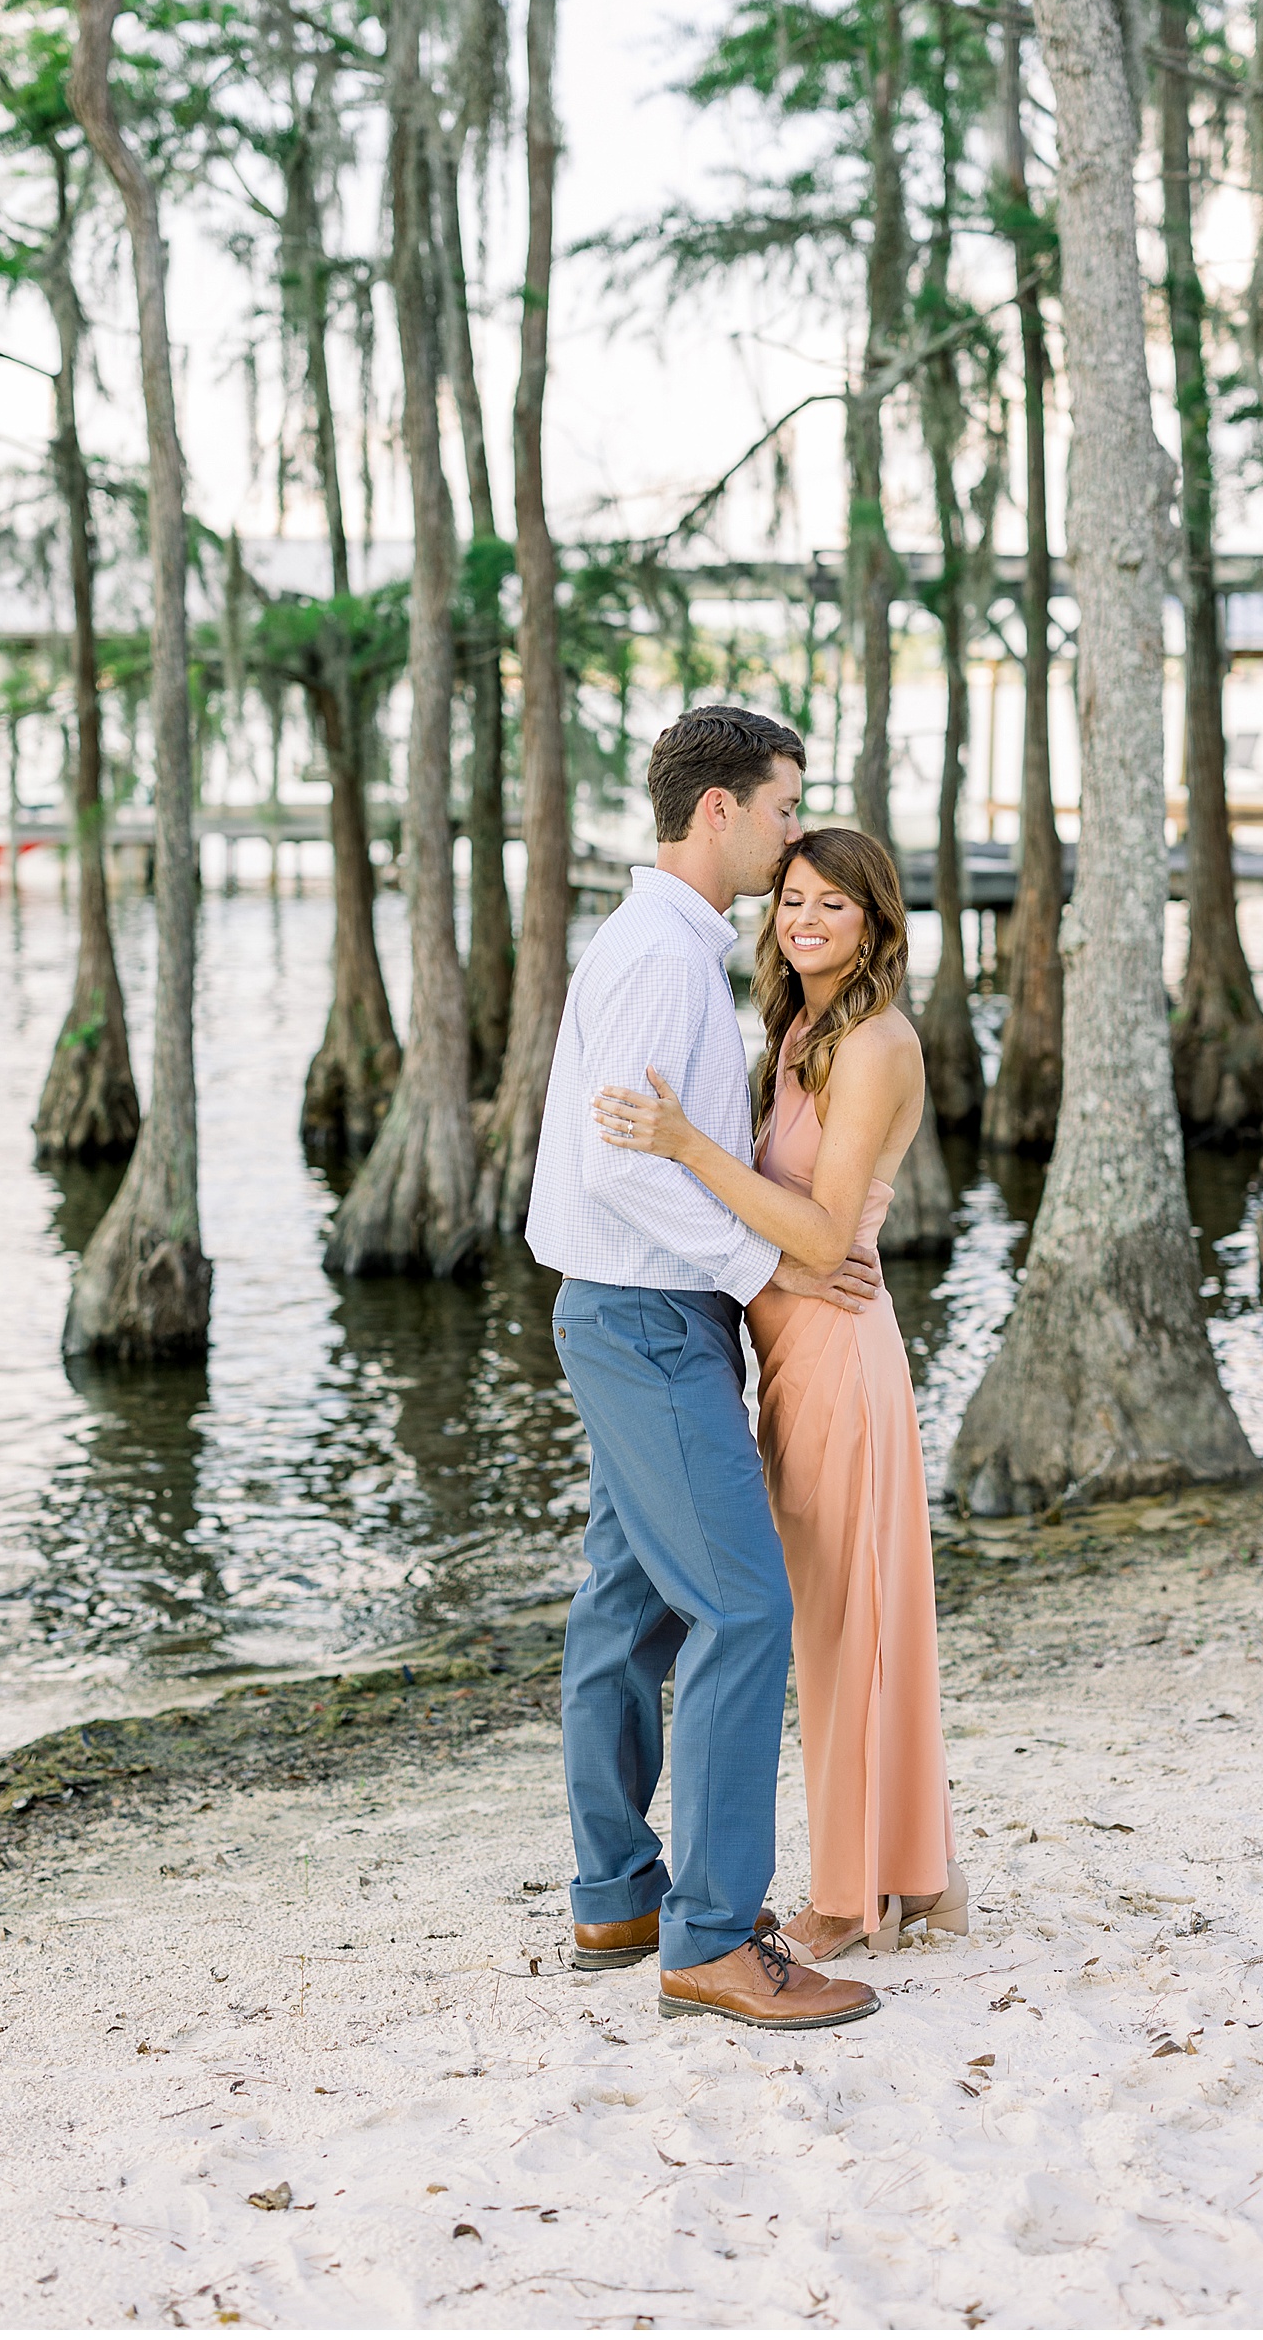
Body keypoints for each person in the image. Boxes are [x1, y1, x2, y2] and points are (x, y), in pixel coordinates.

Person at [527, 708, 884, 2032]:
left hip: (635, 1315)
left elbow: (641, 1150)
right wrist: (764, 1271)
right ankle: (714, 1937)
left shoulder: (666, 944)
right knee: (744, 1608)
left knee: (626, 1608)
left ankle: (619, 1891)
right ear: (722, 809)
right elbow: (623, 1164)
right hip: (645, 1318)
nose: (797, 830)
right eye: (786, 806)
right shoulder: (662, 959)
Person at [595, 827, 964, 1962]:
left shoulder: (875, 1046)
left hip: (842, 1358)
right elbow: (796, 1218)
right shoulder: (805, 1028)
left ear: (875, 923)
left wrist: (683, 1144)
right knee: (832, 1625)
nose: (805, 919)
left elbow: (814, 1223)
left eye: (833, 906)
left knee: (846, 1630)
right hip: (793, 1353)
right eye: (793, 898)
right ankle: (909, 1873)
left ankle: (853, 1899)